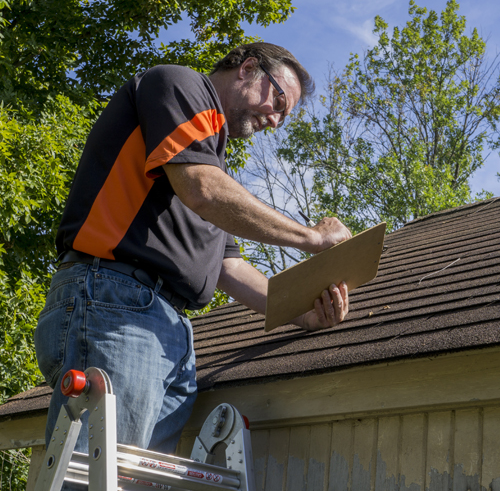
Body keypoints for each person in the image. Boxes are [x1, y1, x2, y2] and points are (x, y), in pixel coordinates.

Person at [34, 42, 351, 463]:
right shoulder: (179, 85)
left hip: (166, 330)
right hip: (117, 304)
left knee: (132, 481)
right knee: (99, 476)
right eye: (277, 101)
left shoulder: (210, 166)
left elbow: (229, 267)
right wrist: (311, 238)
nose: (275, 120)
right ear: (249, 68)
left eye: (283, 116)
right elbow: (202, 190)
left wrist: (303, 313)